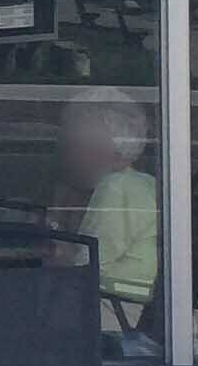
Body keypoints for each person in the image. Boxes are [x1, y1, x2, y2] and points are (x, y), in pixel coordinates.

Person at [59, 89, 159, 312]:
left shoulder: (114, 188)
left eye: (72, 147)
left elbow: (85, 270)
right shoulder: (144, 184)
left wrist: (57, 249)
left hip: (120, 315)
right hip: (147, 310)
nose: (65, 158)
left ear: (104, 150)